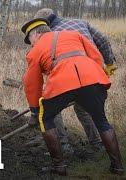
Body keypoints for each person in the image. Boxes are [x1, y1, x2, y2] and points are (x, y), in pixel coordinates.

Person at [20, 18, 123, 176]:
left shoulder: (35, 50)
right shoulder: (74, 35)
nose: (31, 43)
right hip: (92, 79)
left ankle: (59, 166)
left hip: (63, 84)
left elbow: (31, 83)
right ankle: (117, 167)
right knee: (101, 120)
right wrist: (101, 77)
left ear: (36, 33)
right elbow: (95, 55)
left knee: (44, 117)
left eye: (30, 39)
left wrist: (34, 110)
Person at [31, 8, 118, 152]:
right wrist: (108, 64)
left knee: (52, 111)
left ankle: (63, 145)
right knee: (85, 109)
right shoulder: (80, 22)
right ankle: (97, 144)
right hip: (93, 76)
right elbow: (102, 40)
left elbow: (42, 66)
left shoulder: (51, 35)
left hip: (69, 77)